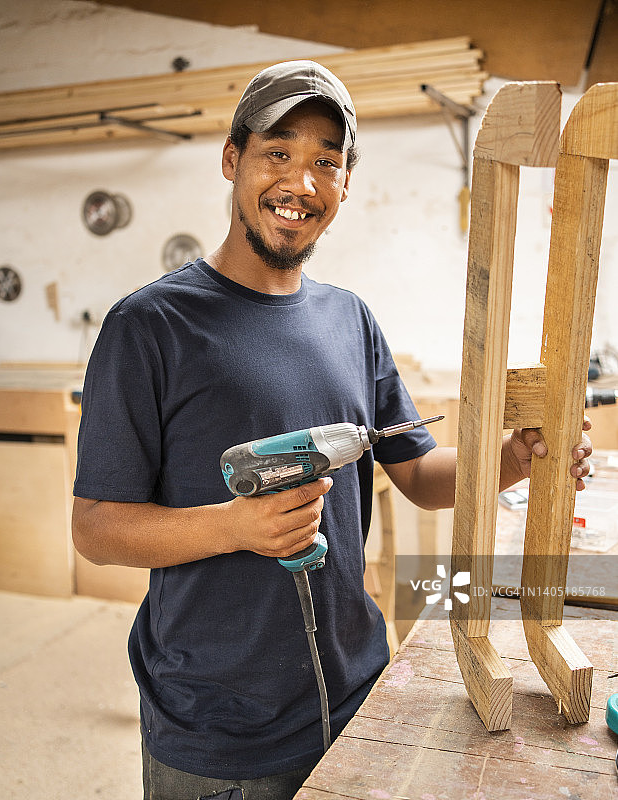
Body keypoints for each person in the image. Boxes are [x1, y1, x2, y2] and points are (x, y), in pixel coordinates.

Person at [72, 61, 592, 800]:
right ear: (232, 160)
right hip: (218, 731)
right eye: (277, 153)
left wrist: (514, 459)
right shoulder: (150, 326)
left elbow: (418, 475)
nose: (301, 183)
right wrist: (235, 526)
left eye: (326, 161)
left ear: (345, 184)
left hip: (357, 693)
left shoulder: (350, 319)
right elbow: (95, 529)